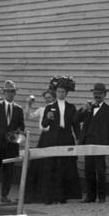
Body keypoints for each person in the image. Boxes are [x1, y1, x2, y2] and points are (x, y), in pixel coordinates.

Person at [37, 75, 81, 204]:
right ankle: (50, 196)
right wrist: (48, 118)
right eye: (58, 92)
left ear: (66, 93)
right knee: (52, 166)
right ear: (55, 92)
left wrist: (78, 138)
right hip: (53, 138)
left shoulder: (71, 107)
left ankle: (63, 196)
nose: (60, 94)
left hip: (66, 137)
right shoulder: (49, 107)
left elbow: (75, 124)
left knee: (64, 167)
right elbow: (44, 125)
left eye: (63, 92)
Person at [77, 82, 109, 202]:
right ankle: (90, 196)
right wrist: (83, 109)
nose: (97, 96)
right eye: (95, 94)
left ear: (105, 95)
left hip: (101, 145)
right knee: (88, 171)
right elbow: (76, 120)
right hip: (88, 144)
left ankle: (102, 196)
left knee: (100, 171)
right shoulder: (89, 108)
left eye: (99, 94)